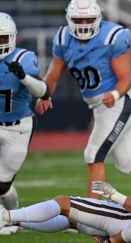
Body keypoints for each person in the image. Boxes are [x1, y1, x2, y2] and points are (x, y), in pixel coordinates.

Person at [34, 0, 131, 199]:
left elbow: (126, 79)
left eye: (88, 19)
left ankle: (92, 216)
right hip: (100, 105)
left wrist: (114, 94)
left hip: (120, 100)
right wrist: (44, 94)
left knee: (93, 154)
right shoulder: (62, 39)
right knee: (129, 162)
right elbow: (53, 74)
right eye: (78, 20)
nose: (84, 24)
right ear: (69, 19)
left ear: (98, 18)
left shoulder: (112, 37)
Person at [0, 135, 131, 239]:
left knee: (63, 203)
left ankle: (5, 217)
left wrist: (114, 195)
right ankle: (16, 220)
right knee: (70, 221)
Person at [0, 12, 50, 234]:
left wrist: (24, 77)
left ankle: (13, 217)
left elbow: (44, 90)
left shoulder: (23, 59)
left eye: (1, 37)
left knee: (3, 185)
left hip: (18, 127)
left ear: (11, 38)